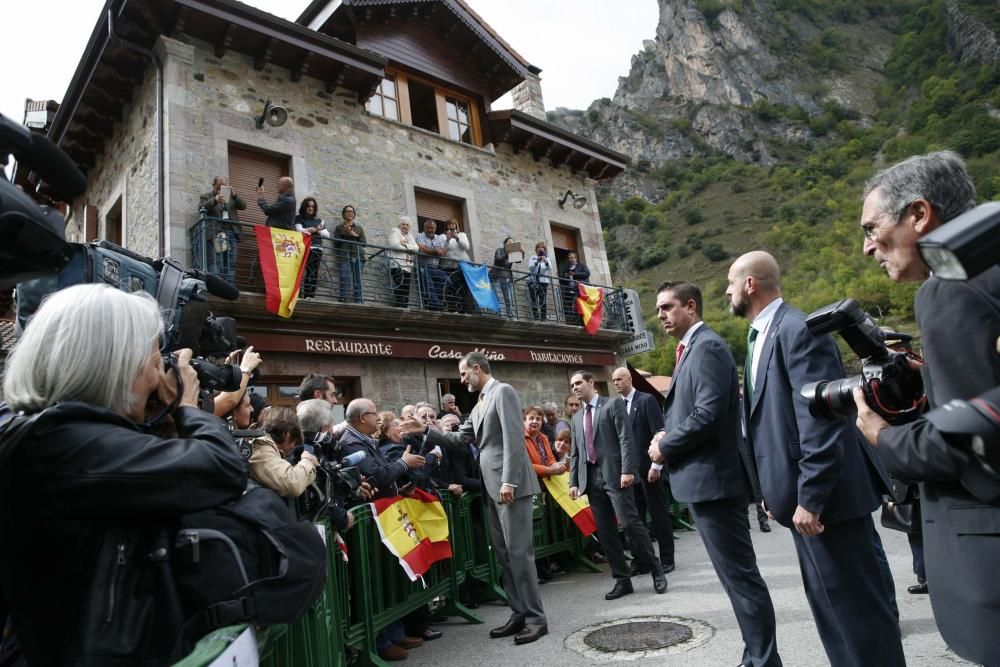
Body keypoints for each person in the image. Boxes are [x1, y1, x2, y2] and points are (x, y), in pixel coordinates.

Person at [0, 284, 246, 665]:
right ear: (113, 363)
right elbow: (222, 469)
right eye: (151, 362)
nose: (156, 378)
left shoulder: (43, 432)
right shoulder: (65, 444)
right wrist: (186, 407)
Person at [852, 150, 1000, 666]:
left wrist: (880, 434)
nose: (869, 248)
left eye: (872, 228)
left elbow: (964, 445)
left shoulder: (948, 291)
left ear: (919, 215)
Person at [726, 251, 904, 667]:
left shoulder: (797, 330)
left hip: (827, 508)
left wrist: (811, 497)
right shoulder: (763, 336)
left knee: (859, 619)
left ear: (750, 284)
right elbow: (768, 426)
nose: (728, 292)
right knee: (833, 615)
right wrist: (772, 492)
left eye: (731, 284)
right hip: (800, 506)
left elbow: (821, 423)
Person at [647, 282, 780, 667]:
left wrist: (665, 445)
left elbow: (706, 414)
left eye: (667, 307)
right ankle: (755, 654)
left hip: (716, 484)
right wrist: (668, 433)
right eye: (657, 310)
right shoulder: (692, 349)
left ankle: (764, 661)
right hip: (705, 483)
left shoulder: (707, 347)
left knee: (741, 579)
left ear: (691, 306)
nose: (661, 315)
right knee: (735, 581)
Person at [401, 352, 548, 645]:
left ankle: (536, 619)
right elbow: (460, 439)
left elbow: (513, 438)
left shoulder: (502, 392)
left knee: (519, 554)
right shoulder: (480, 403)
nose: (462, 378)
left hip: (509, 486)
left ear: (477, 368)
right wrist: (427, 429)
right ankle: (519, 613)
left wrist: (509, 480)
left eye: (464, 372)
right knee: (505, 556)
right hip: (491, 487)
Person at [568, 370, 666, 599]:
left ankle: (656, 570)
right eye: (572, 385)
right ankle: (622, 580)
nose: (575, 387)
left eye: (579, 382)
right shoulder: (575, 418)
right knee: (606, 532)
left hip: (616, 475)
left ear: (591, 383)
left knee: (631, 523)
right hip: (591, 480)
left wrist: (627, 470)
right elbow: (575, 452)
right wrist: (574, 481)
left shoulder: (611, 405)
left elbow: (626, 438)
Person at [610, 367, 675, 574]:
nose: (616, 383)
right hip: (630, 472)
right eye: (613, 380)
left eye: (619, 379)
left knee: (658, 513)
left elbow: (659, 432)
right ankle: (641, 560)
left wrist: (657, 465)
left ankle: (667, 559)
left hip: (649, 469)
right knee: (634, 518)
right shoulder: (617, 405)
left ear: (630, 379)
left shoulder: (646, 400)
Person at [340, 398, 425, 500]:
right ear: (363, 418)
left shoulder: (363, 439)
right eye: (374, 413)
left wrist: (397, 491)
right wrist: (404, 462)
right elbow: (376, 475)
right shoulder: (352, 443)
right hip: (371, 511)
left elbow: (380, 477)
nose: (378, 418)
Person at [249, 407, 318, 497]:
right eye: (295, 442)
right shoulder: (261, 446)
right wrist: (307, 461)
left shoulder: (264, 446)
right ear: (287, 434)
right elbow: (292, 484)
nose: (294, 447)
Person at [198, 175, 247, 285]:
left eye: (224, 186)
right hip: (216, 233)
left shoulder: (231, 197)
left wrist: (235, 196)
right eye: (220, 186)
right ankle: (217, 286)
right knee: (216, 261)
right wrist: (214, 201)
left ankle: (229, 286)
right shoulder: (206, 196)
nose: (222, 189)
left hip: (231, 233)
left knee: (231, 262)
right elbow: (201, 208)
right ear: (214, 185)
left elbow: (243, 206)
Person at [294, 197, 330, 300]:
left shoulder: (319, 220)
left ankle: (310, 296)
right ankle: (300, 295)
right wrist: (313, 229)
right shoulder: (299, 218)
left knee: (313, 272)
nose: (311, 208)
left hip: (317, 249)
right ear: (304, 207)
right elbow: (299, 230)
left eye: (313, 206)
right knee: (300, 272)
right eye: (308, 206)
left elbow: (327, 235)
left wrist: (317, 231)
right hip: (303, 247)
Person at [333, 205, 366, 303]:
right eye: (347, 211)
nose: (350, 213)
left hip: (358, 255)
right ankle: (343, 298)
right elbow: (336, 243)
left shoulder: (359, 228)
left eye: (352, 212)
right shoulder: (339, 228)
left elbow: (364, 243)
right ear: (343, 214)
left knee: (358, 278)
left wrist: (354, 235)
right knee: (344, 276)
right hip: (344, 255)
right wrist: (344, 233)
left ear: (354, 215)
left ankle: (358, 300)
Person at [524, 405, 567, 479]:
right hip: (530, 482)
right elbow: (526, 466)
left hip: (546, 481)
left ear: (541, 422)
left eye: (538, 419)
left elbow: (550, 458)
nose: (535, 421)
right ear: (524, 421)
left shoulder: (543, 438)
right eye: (531, 418)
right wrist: (551, 470)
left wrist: (555, 465)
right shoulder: (520, 439)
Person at [416, 219, 448, 311]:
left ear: (435, 228)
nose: (430, 230)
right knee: (429, 286)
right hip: (423, 266)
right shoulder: (419, 236)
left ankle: (434, 300)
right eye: (428, 228)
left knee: (447, 281)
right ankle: (437, 306)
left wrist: (429, 250)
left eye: (432, 228)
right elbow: (421, 249)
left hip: (435, 267)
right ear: (424, 228)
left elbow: (442, 253)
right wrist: (435, 250)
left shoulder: (439, 238)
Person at [387, 215, 418, 308]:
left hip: (407, 266)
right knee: (399, 286)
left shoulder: (410, 236)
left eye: (407, 225)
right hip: (397, 264)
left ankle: (405, 306)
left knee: (406, 287)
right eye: (403, 224)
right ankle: (399, 306)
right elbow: (395, 245)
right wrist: (409, 248)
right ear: (399, 225)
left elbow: (416, 248)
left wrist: (405, 245)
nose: (405, 226)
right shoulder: (395, 232)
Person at [441, 218, 472, 313]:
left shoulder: (462, 235)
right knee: (451, 287)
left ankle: (465, 309)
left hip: (463, 265)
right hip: (449, 266)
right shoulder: (442, 236)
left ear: (456, 225)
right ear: (446, 226)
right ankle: (453, 308)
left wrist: (457, 238)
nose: (451, 226)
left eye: (453, 224)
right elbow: (442, 251)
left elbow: (466, 247)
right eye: (449, 224)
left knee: (463, 287)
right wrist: (447, 240)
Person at [560, 252, 590, 324]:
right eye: (569, 258)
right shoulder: (566, 269)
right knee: (571, 306)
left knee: (580, 306)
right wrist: (565, 276)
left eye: (572, 258)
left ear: (575, 258)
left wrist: (575, 274)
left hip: (579, 290)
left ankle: (582, 322)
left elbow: (587, 274)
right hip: (569, 290)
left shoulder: (581, 266)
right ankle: (573, 321)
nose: (570, 259)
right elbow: (561, 280)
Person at [526, 241, 552, 321]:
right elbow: (531, 268)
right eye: (538, 249)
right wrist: (537, 261)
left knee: (542, 299)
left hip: (543, 282)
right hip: (533, 281)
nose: (540, 250)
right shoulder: (532, 258)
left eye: (542, 249)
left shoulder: (547, 258)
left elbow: (549, 269)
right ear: (536, 250)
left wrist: (545, 261)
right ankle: (536, 317)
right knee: (534, 299)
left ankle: (543, 317)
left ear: (544, 250)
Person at [491, 237, 516, 318]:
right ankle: (500, 314)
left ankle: (510, 314)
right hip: (497, 276)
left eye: (512, 242)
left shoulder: (513, 254)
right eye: (509, 242)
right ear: (505, 243)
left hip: (507, 277)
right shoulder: (499, 250)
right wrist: (507, 254)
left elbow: (519, 260)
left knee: (508, 297)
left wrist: (522, 252)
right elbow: (498, 260)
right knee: (498, 296)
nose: (510, 243)